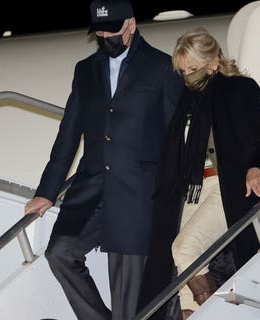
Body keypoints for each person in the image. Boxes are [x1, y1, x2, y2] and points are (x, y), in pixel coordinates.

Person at [23, 0, 184, 319]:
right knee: (60, 253)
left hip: (138, 195)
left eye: (112, 29)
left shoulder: (162, 68)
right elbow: (68, 134)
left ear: (132, 25)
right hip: (91, 189)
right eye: (100, 31)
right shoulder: (85, 71)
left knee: (127, 298)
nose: (106, 36)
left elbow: (176, 138)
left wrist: (169, 200)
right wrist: (47, 190)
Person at [138, 27, 260, 319]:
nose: (188, 75)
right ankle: (192, 313)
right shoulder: (188, 100)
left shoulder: (241, 88)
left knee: (184, 248)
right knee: (180, 264)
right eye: (183, 70)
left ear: (213, 61)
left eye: (194, 68)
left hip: (226, 188)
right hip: (192, 188)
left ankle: (217, 313)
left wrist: (255, 168)